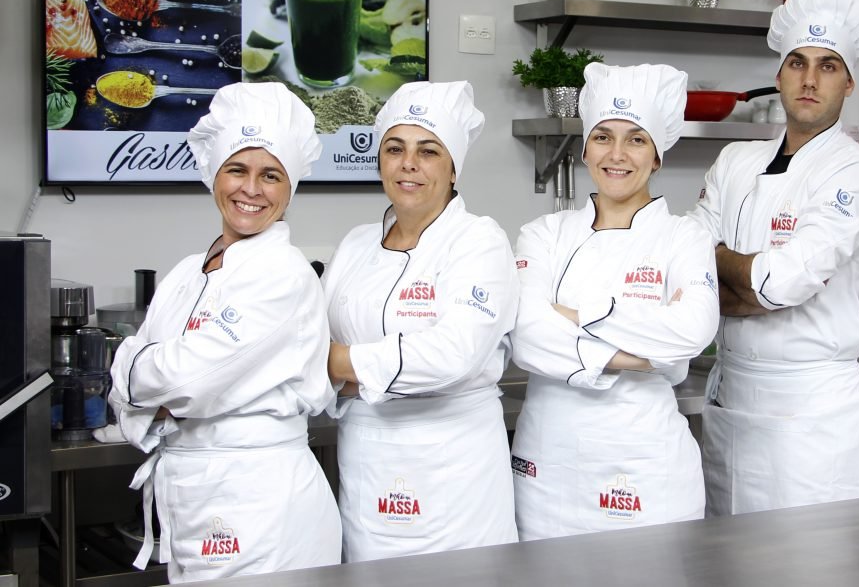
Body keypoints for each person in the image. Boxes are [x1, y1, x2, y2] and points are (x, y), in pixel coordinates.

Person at [107, 82, 342, 582]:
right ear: (214, 174)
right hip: (195, 498)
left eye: (270, 175)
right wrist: (151, 382)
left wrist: (137, 373)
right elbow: (164, 380)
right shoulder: (188, 271)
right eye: (237, 169)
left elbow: (182, 380)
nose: (251, 189)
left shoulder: (283, 274)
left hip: (261, 505)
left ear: (289, 188)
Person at [688, 0, 859, 516]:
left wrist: (727, 268)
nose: (809, 78)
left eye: (828, 66)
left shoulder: (857, 171)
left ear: (848, 83)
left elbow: (782, 282)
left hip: (813, 421)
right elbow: (686, 262)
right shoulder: (735, 161)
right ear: (778, 75)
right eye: (798, 62)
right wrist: (749, 280)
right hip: (731, 403)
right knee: (724, 570)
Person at [510, 63, 720, 540]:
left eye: (636, 139)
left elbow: (692, 331)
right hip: (550, 466)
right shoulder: (544, 234)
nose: (617, 154)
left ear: (657, 156)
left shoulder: (683, 237)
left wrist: (578, 316)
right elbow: (525, 335)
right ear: (585, 149)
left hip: (644, 465)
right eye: (603, 137)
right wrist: (641, 357)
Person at [321, 81, 519, 562]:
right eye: (395, 148)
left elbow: (452, 355)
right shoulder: (356, 244)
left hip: (454, 472)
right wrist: (342, 368)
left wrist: (341, 363)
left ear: (453, 168)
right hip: (368, 468)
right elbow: (311, 345)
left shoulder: (479, 241)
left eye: (428, 151)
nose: (408, 163)